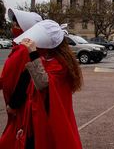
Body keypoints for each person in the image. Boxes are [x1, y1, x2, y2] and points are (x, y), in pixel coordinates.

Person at [12, 20, 82, 148]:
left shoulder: (61, 63)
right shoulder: (46, 59)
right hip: (36, 116)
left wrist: (33, 53)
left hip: (49, 118)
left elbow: (43, 84)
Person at [0, 9, 42, 148]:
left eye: (17, 24)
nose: (13, 27)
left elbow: (27, 77)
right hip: (15, 109)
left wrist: (13, 104)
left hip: (21, 109)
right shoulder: (19, 48)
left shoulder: (25, 50)